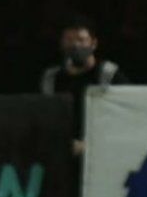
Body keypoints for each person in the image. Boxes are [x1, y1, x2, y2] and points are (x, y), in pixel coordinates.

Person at [41, 15, 128, 156]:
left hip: (103, 150)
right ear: (62, 44)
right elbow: (45, 118)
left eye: (81, 40)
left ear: (93, 43)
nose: (75, 45)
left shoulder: (109, 74)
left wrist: (91, 145)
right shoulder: (51, 78)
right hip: (62, 151)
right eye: (69, 40)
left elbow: (125, 116)